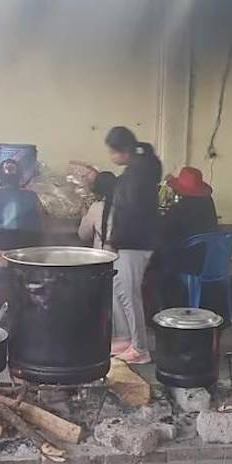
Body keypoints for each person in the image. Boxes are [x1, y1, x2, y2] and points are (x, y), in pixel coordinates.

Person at [103, 126, 161, 364]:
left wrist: (113, 241)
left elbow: (130, 214)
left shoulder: (138, 176)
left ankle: (140, 348)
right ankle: (125, 338)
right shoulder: (136, 170)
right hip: (128, 242)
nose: (111, 156)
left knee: (129, 294)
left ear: (124, 151)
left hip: (134, 243)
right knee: (117, 288)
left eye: (112, 152)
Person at [0, 159, 43, 318]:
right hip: (24, 260)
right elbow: (41, 225)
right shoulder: (33, 197)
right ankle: (26, 306)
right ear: (20, 178)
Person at [152, 166, 220, 308]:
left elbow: (164, 229)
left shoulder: (182, 207)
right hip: (211, 259)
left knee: (156, 264)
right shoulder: (208, 202)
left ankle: (167, 309)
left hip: (189, 262)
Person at [78, 171, 131, 346]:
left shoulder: (96, 207)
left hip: (101, 262)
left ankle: (111, 337)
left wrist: (85, 215)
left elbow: (83, 235)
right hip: (125, 259)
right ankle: (124, 337)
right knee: (121, 301)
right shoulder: (127, 207)